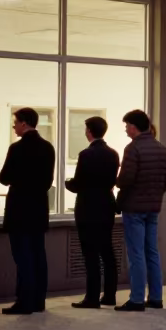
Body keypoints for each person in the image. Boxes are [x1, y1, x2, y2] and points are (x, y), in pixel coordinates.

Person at [115, 109, 166, 312]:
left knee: (136, 254)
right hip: (153, 207)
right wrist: (155, 193)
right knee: (152, 252)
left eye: (126, 126)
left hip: (134, 208)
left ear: (134, 126)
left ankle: (137, 299)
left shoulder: (133, 149)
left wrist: (117, 181)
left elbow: (126, 179)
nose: (125, 131)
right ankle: (156, 297)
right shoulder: (161, 148)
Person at [0, 107, 55, 315]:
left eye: (15, 122)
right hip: (38, 208)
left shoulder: (17, 149)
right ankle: (39, 300)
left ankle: (24, 301)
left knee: (22, 257)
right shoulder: (48, 148)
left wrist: (18, 179)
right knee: (38, 254)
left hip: (19, 209)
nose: (14, 126)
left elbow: (4, 177)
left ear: (24, 123)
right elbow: (47, 181)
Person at [65, 115, 119, 309]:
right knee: (107, 251)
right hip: (106, 205)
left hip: (88, 207)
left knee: (90, 253)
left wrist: (67, 183)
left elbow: (79, 183)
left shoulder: (86, 155)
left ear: (89, 131)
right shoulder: (113, 154)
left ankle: (92, 297)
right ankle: (110, 294)